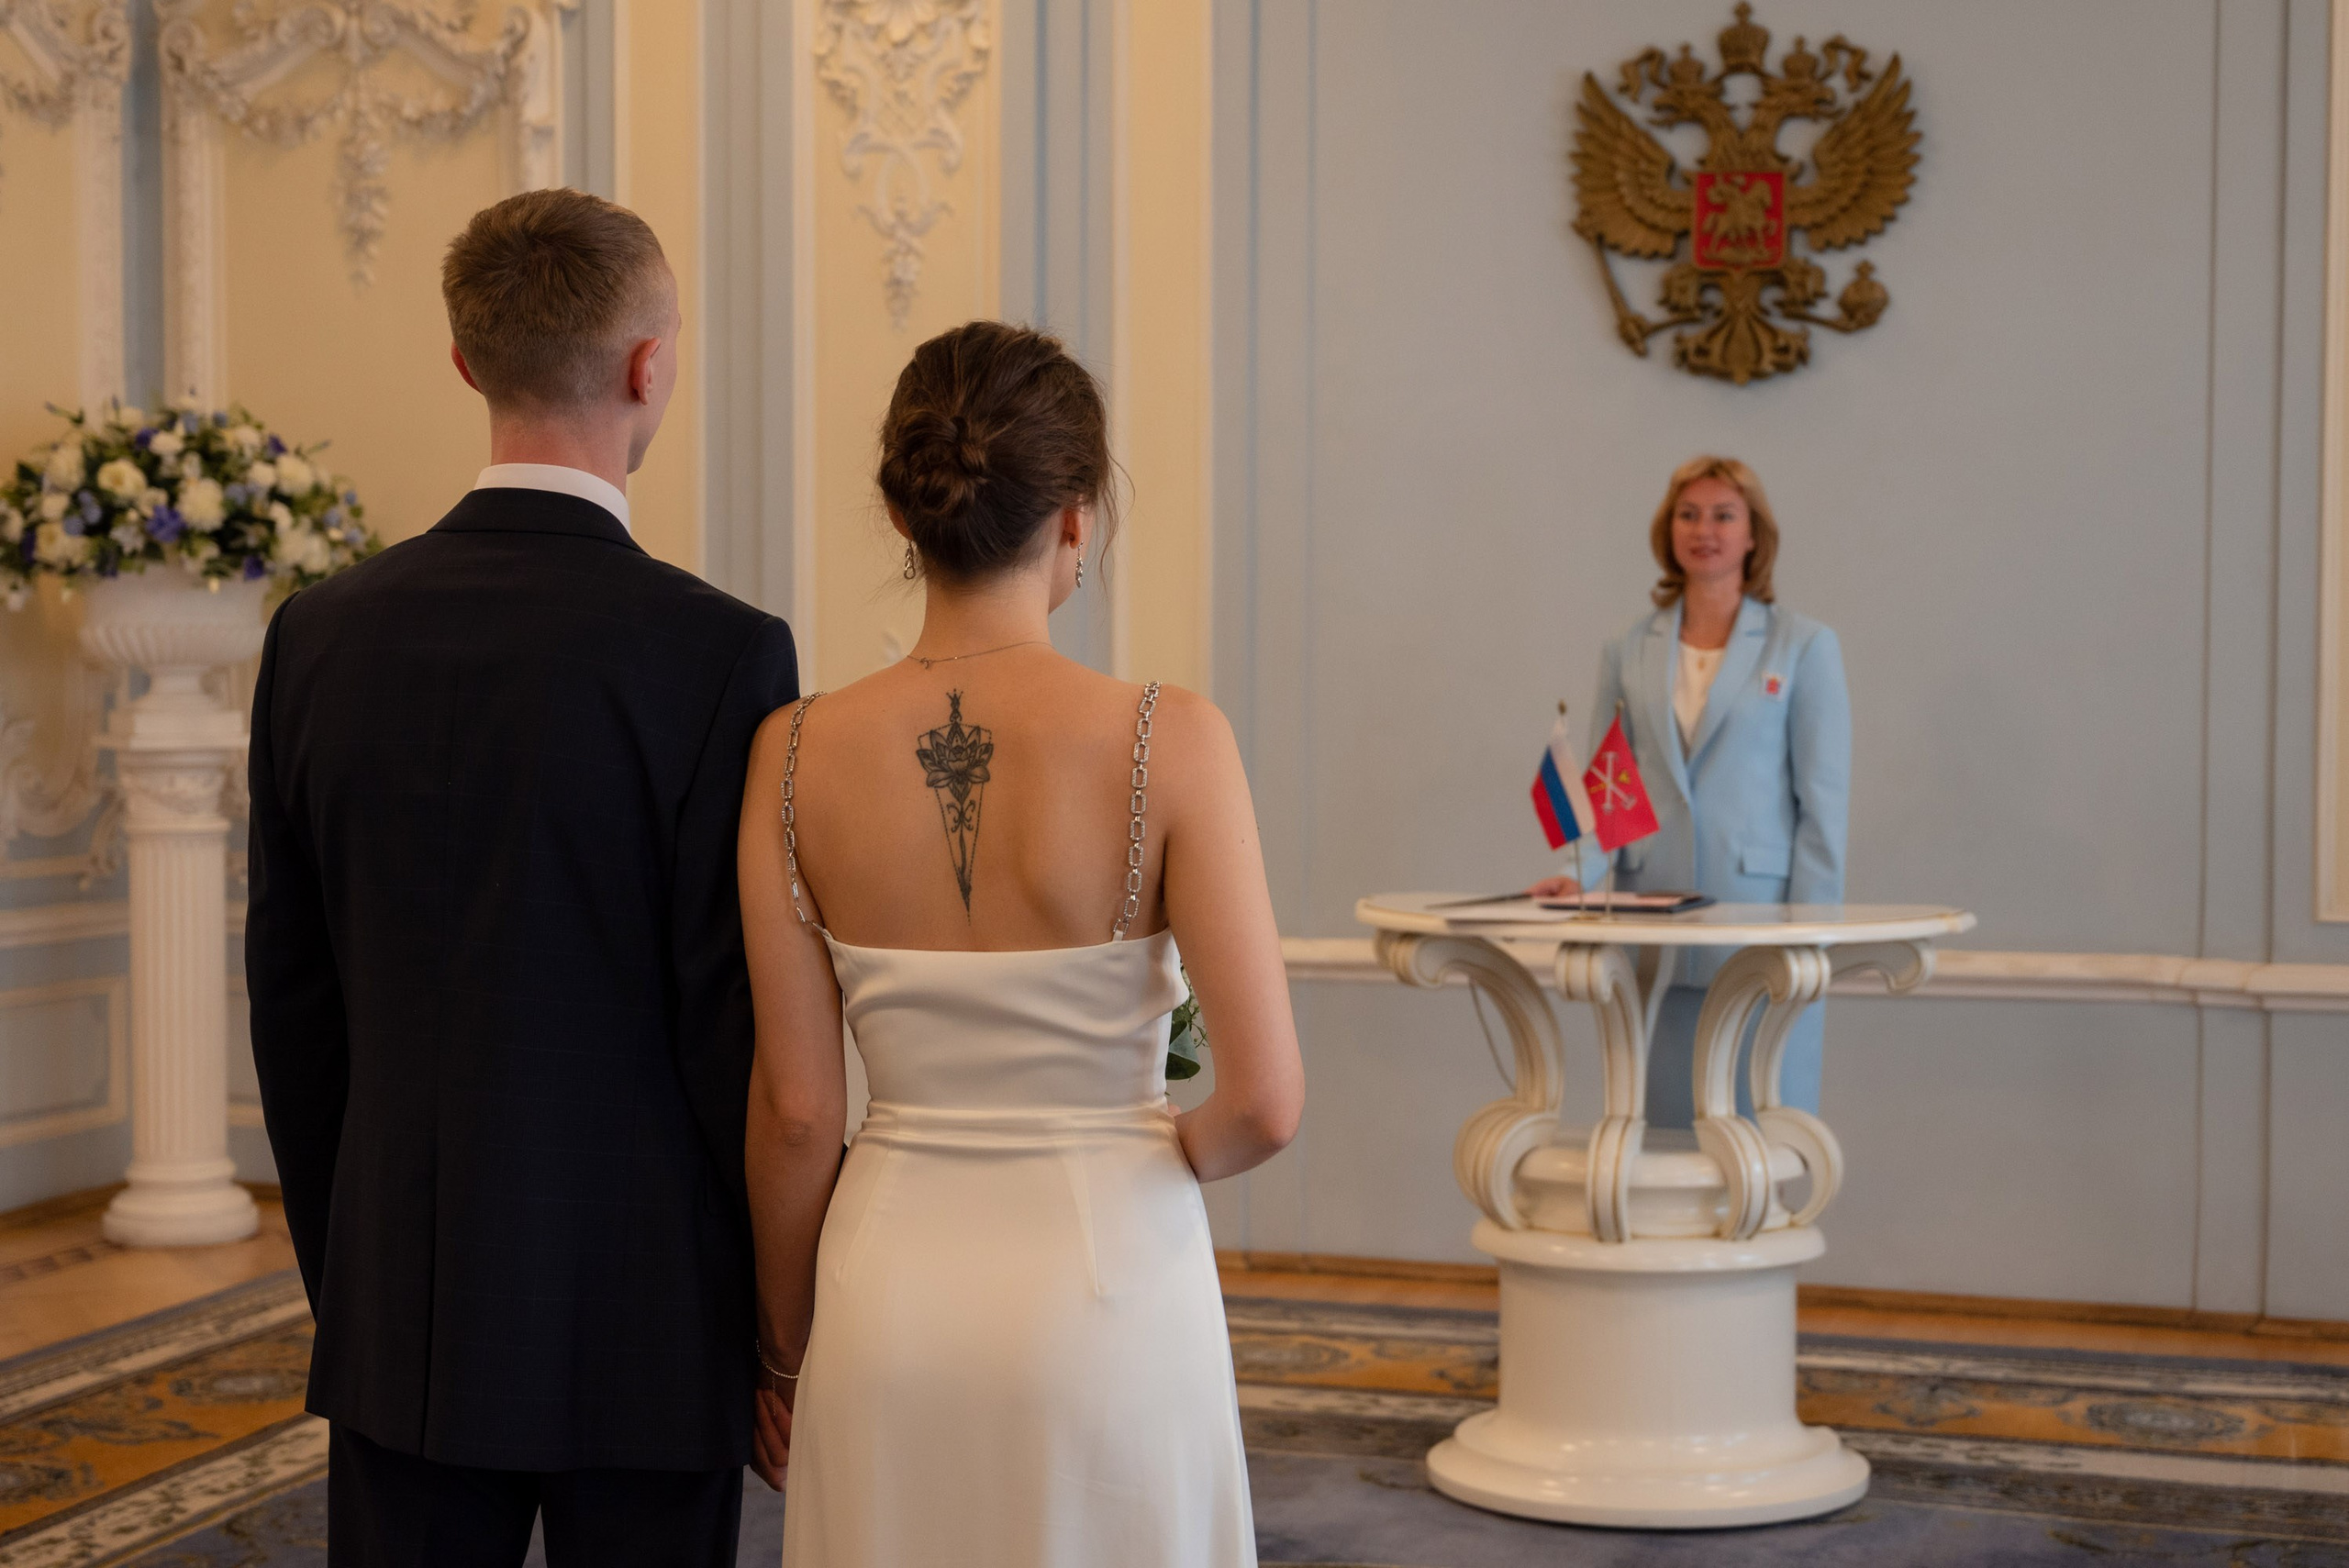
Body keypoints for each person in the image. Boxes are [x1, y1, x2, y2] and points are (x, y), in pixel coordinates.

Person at [245, 187, 799, 1565]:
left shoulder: (316, 638)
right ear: (647, 365)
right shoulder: (721, 655)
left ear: (464, 361)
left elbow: (294, 1009)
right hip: (650, 1316)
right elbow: (727, 1025)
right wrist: (767, 1328)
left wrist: (357, 1274)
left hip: (405, 1300)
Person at [738, 320, 1304, 1567]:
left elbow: (792, 1110)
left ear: (903, 515)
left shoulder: (790, 753)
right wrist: (1137, 1152)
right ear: (1078, 516)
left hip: (889, 1287)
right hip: (1111, 1277)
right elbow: (1264, 1106)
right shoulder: (1173, 737)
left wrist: (785, 1344)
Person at [1533, 455, 1849, 1125]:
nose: (1704, 529)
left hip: (1758, 923)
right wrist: (1577, 873)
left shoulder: (1803, 646)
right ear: (1667, 530)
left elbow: (1822, 807)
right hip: (1656, 920)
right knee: (1667, 1129)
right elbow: (1607, 781)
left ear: (1753, 534)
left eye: (1723, 515)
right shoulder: (1628, 648)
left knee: (1759, 1124)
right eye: (1688, 514)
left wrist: (1811, 931)